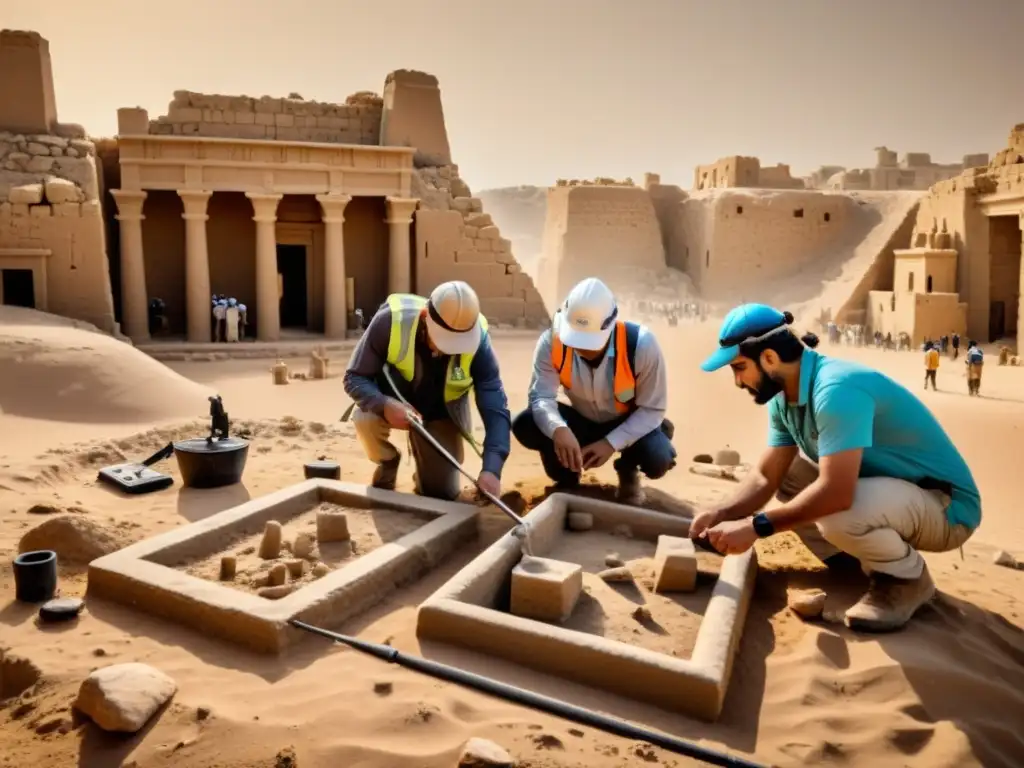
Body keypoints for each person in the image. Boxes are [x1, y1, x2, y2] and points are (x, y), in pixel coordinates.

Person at [691, 303, 981, 632]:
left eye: (739, 367)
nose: (738, 382)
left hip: (945, 509)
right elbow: (766, 476)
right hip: (891, 499)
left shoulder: (835, 390)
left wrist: (754, 527)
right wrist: (722, 513)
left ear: (769, 358)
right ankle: (854, 559)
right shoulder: (784, 398)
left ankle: (905, 578)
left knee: (834, 509)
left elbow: (836, 492)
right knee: (792, 474)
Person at [512, 277, 677, 505]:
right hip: (581, 421)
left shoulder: (641, 345)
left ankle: (628, 469)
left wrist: (611, 443)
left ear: (609, 326)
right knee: (527, 423)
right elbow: (541, 397)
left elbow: (651, 409)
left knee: (658, 456)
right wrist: (558, 429)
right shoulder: (552, 342)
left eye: (589, 341)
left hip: (625, 422)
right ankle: (567, 475)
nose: (581, 347)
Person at [342, 281, 511, 501]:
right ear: (424, 316)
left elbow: (495, 407)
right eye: (442, 340)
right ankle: (387, 460)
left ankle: (427, 469)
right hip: (394, 400)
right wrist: (383, 404)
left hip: (442, 411)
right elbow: (354, 377)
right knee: (364, 418)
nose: (445, 349)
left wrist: (492, 469)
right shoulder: (391, 322)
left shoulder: (480, 343)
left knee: (441, 493)